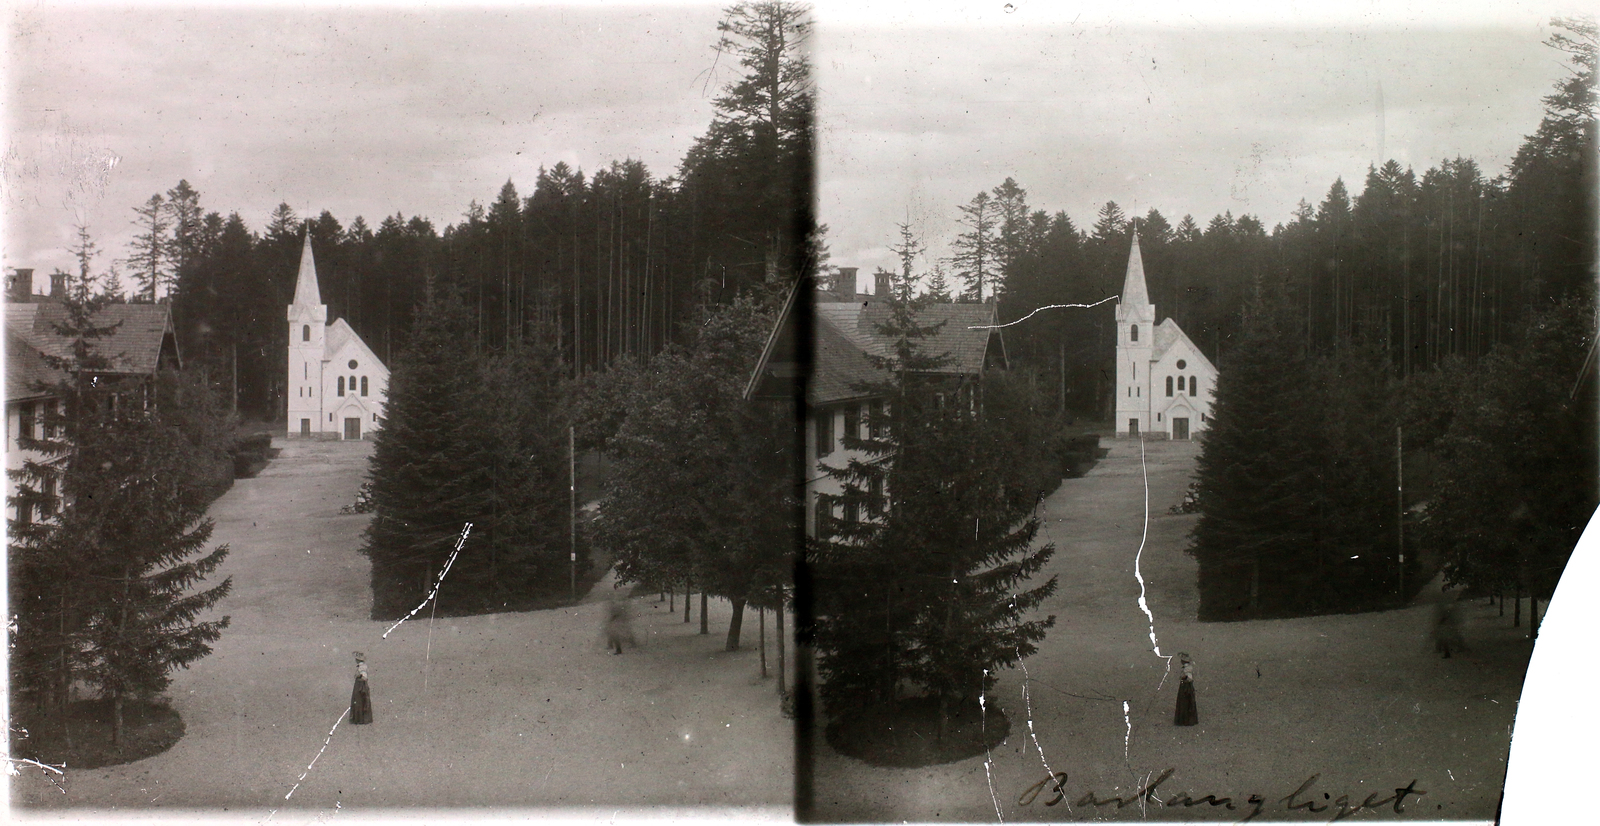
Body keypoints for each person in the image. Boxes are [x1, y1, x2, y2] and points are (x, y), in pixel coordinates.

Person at [1174, 653, 1198, 726]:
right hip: (1186, 685)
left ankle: (1184, 720)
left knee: (1184, 702)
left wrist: (1184, 678)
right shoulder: (1188, 668)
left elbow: (1189, 678)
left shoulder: (1187, 669)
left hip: (1185, 686)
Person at [350, 651, 373, 724]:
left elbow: (364, 677)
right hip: (360, 685)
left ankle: (360, 719)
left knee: (359, 701)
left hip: (360, 685)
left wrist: (359, 677)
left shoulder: (361, 667)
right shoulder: (362, 666)